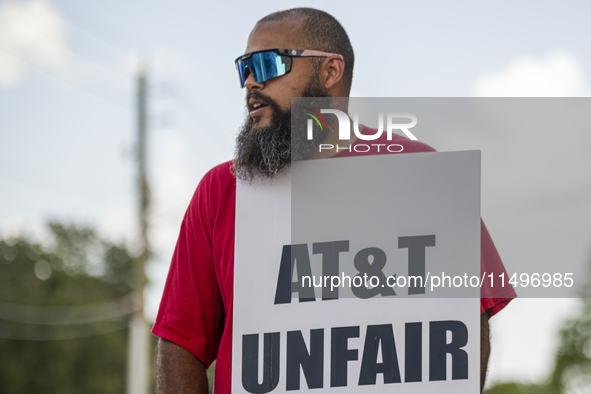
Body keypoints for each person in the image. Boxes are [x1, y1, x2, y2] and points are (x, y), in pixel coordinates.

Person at [152, 7, 516, 394]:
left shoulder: (421, 173)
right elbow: (181, 344)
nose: (251, 82)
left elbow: (467, 319)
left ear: (330, 71)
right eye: (244, 68)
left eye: (268, 63)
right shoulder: (219, 192)